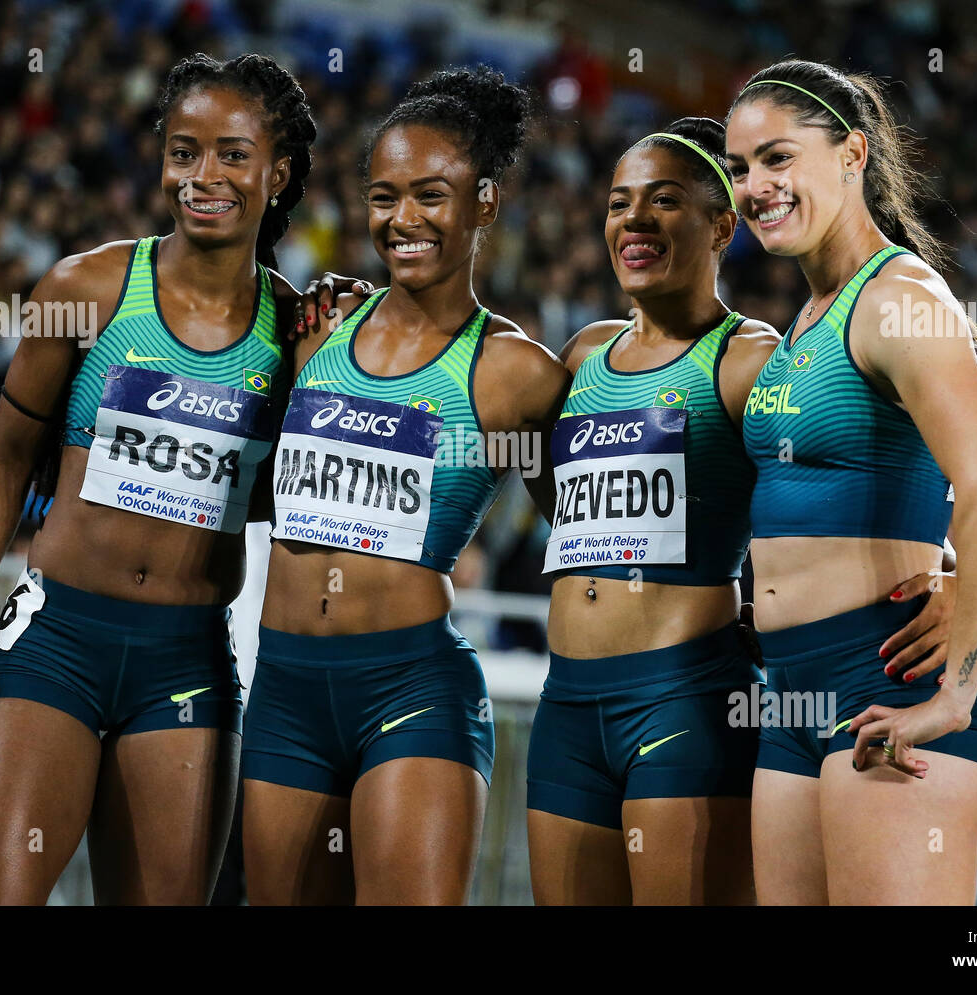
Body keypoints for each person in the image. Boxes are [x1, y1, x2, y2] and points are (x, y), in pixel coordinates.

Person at [527, 119, 953, 905]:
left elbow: (869, 458)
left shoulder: (748, 357)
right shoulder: (584, 354)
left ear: (723, 225)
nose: (636, 220)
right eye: (620, 203)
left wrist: (946, 566)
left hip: (682, 696)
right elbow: (550, 485)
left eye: (664, 202)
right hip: (565, 704)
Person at [0, 53, 319, 905]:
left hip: (185, 662)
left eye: (231, 154)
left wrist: (336, 352)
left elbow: (276, 497)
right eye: (184, 152)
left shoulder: (297, 330)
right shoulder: (88, 289)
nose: (202, 175)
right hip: (57, 642)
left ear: (277, 174)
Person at [240, 67, 570, 905]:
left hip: (412, 692)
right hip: (282, 688)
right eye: (385, 197)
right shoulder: (317, 330)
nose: (404, 220)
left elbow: (591, 530)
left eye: (432, 194)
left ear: (485, 203)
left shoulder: (513, 374)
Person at [726, 59, 977, 904]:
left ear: (853, 153)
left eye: (778, 158)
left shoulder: (897, 297)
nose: (755, 185)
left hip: (887, 682)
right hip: (791, 698)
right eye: (741, 167)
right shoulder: (809, 316)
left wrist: (957, 692)